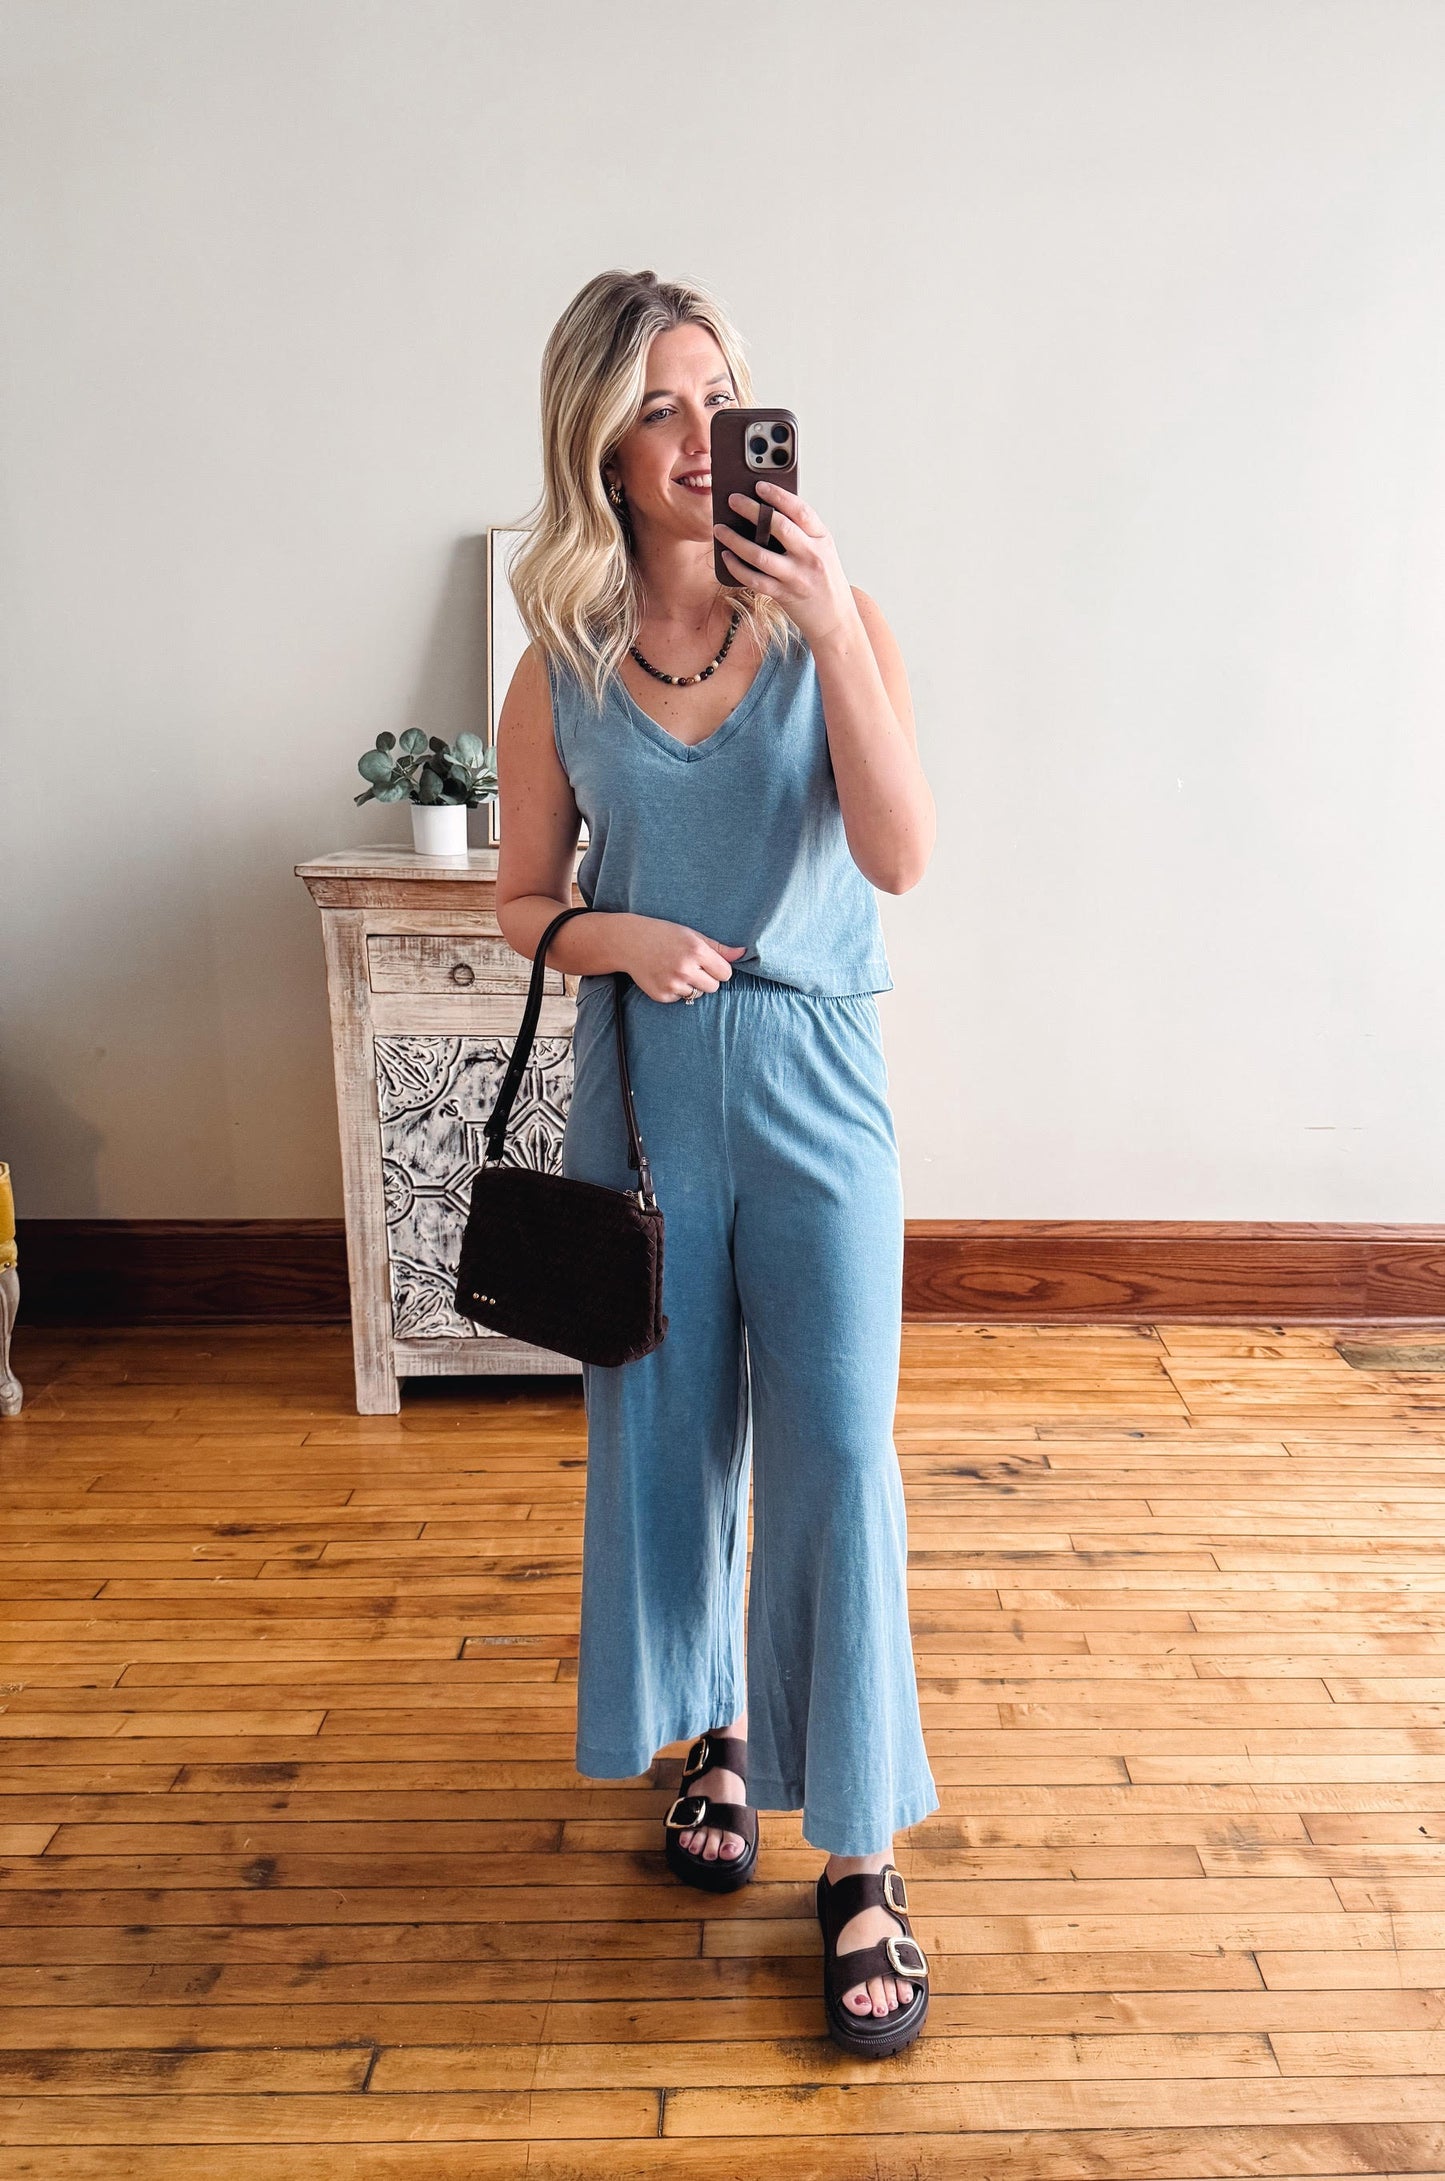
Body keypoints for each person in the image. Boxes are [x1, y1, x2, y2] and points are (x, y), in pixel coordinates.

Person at [494, 268, 939, 2057]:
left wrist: (832, 628)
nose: (699, 439)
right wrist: (617, 937)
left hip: (819, 1079)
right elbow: (524, 902)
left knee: (836, 1446)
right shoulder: (564, 665)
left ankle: (861, 1855)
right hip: (645, 1092)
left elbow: (901, 860)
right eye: (663, 409)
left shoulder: (840, 616)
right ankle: (712, 1736)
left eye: (721, 400)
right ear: (598, 443)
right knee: (668, 1441)